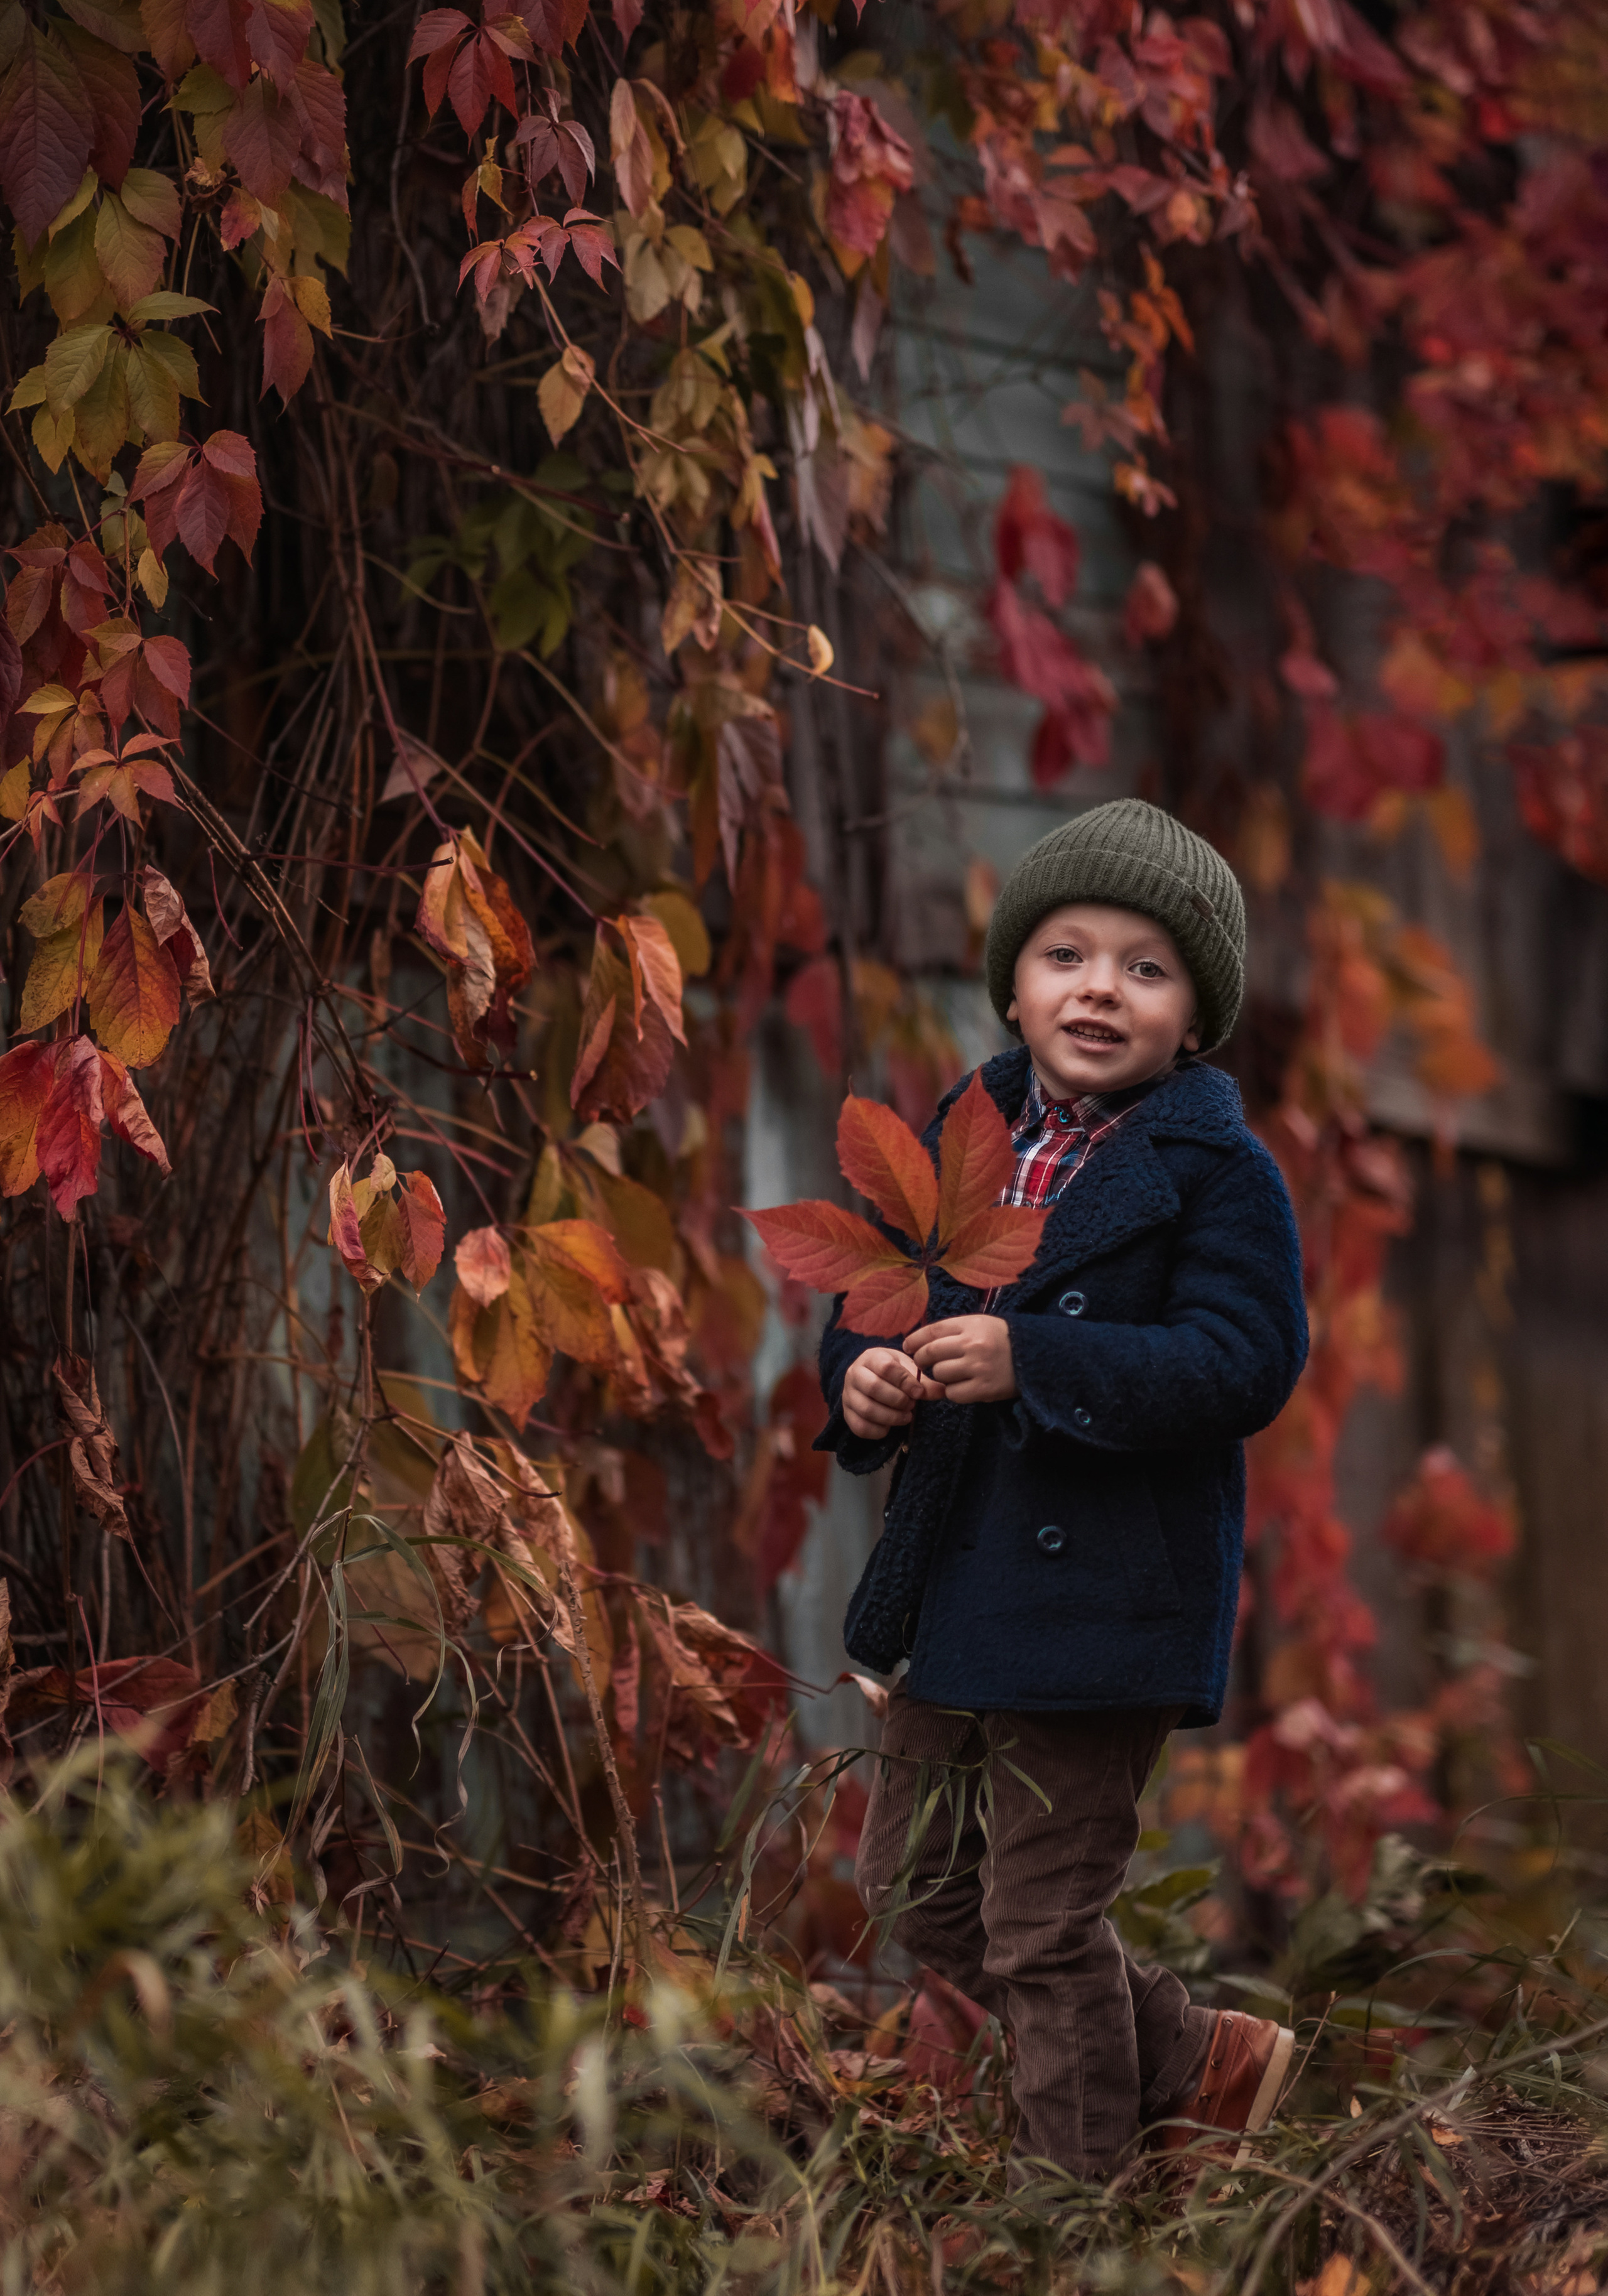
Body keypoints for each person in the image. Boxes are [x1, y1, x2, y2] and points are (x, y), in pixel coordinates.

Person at [815, 797, 1309, 2183]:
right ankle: (1187, 2054)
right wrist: (860, 1377)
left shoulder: (1214, 1172)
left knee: (1039, 1915)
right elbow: (873, 1294)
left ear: (1192, 1018)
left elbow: (1241, 1361)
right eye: (1066, 955)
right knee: (918, 1889)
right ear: (1015, 985)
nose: (1100, 988)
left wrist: (1034, 1356)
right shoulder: (962, 1133)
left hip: (1101, 1606)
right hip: (954, 1583)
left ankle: (1069, 2211)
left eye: (1145, 968)